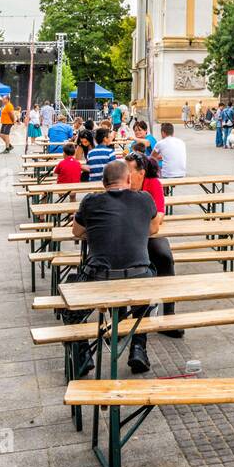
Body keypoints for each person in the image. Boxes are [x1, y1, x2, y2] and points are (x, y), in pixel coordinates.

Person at [71, 159, 159, 373]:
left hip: (99, 277)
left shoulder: (90, 201)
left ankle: (82, 353)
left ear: (103, 183)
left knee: (70, 300)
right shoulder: (145, 199)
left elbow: (76, 232)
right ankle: (138, 348)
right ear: (129, 179)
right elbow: (154, 229)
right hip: (138, 276)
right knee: (145, 288)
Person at [126, 153, 182, 336]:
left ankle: (169, 316)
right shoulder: (120, 183)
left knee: (164, 257)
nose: (124, 174)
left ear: (141, 173)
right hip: (126, 237)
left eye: (129, 171)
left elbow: (158, 219)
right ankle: (123, 321)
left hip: (148, 235)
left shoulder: (152, 184)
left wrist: (141, 230)